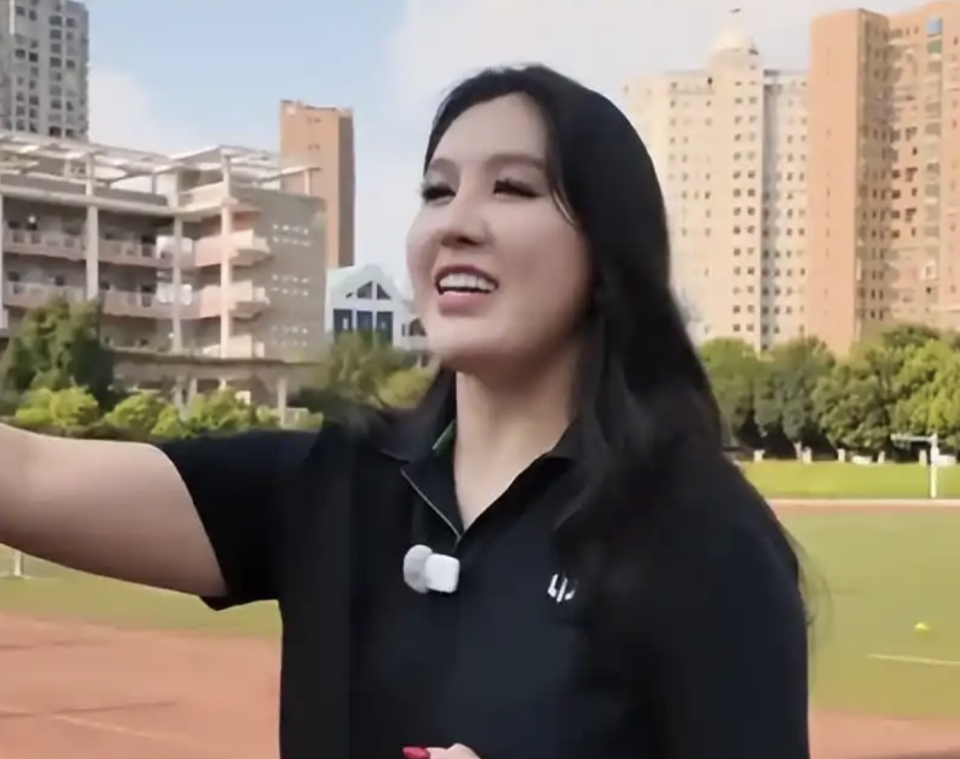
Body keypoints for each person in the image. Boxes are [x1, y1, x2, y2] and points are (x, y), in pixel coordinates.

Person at [0, 64, 809, 759]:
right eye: (437, 190)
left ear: (605, 250)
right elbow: (27, 475)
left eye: (513, 187)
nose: (456, 222)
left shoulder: (700, 535)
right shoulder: (331, 485)